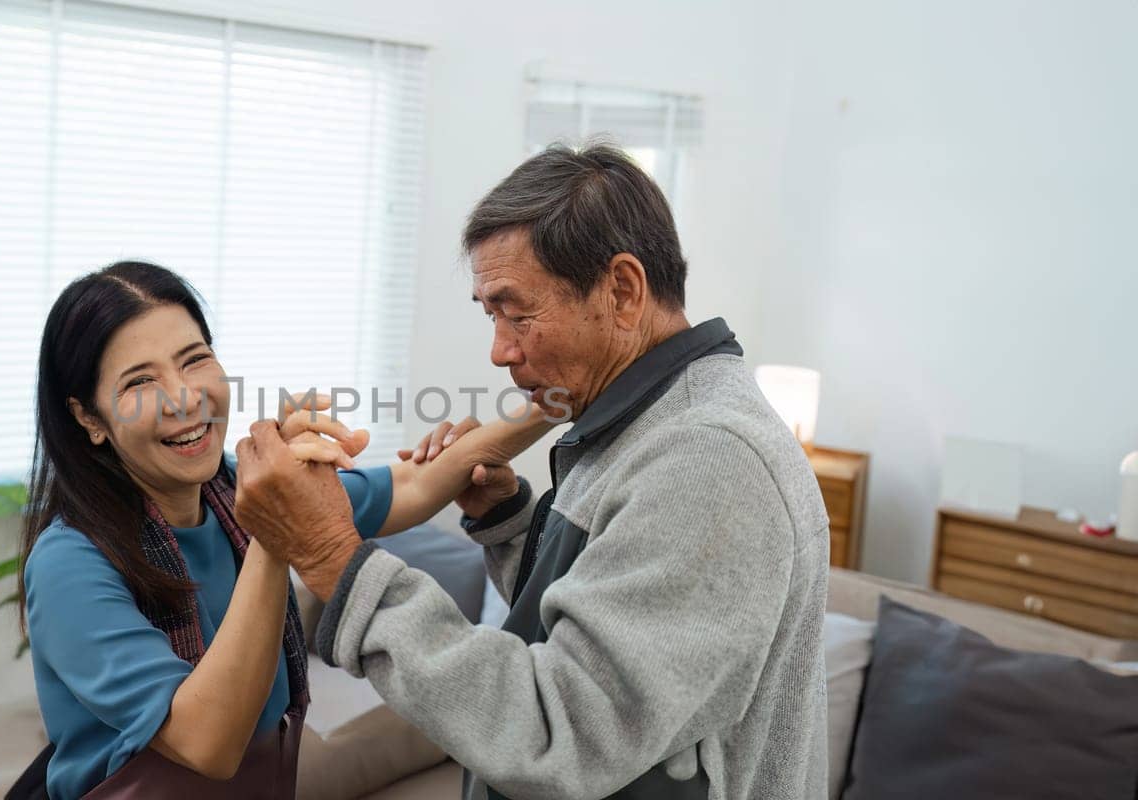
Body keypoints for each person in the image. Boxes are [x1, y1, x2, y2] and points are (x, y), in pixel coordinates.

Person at [232, 143, 831, 800]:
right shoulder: (636, 422)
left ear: (623, 291)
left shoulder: (709, 459)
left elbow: (561, 733)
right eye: (490, 314)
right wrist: (506, 519)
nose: (499, 350)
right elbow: (598, 627)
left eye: (517, 312)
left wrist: (331, 557)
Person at [13, 260, 552, 799]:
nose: (182, 397)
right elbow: (207, 744)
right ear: (89, 418)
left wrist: (559, 400)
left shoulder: (232, 484)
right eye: (140, 381)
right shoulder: (70, 562)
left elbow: (415, 483)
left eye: (194, 359)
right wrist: (274, 527)